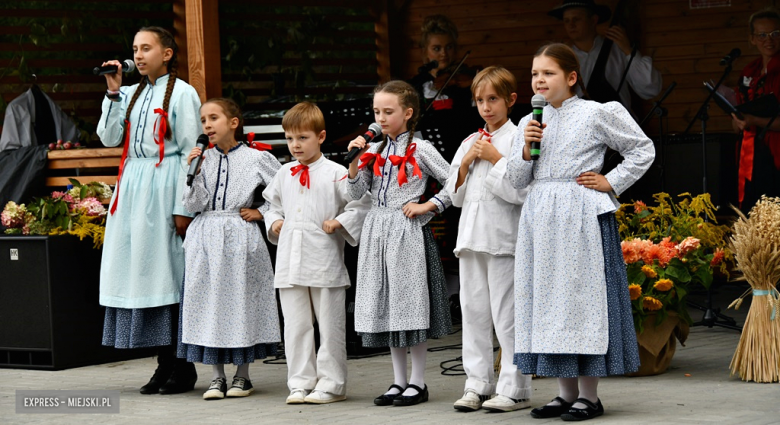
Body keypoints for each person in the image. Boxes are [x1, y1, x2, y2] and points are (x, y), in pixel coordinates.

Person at [510, 43, 654, 421]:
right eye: (534, 74)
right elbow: (514, 179)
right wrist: (526, 150)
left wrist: (612, 181)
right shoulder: (531, 122)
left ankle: (589, 396)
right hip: (541, 217)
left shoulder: (596, 113)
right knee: (549, 301)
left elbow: (642, 149)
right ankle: (564, 392)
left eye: (548, 73)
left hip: (580, 214)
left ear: (571, 78)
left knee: (581, 300)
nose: (539, 80)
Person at [97, 26, 201, 395]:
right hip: (134, 186)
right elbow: (109, 138)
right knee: (140, 272)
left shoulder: (184, 93)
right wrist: (112, 91)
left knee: (166, 273)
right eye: (135, 49)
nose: (138, 56)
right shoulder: (127, 93)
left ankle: (180, 365)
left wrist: (182, 205)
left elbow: (192, 151)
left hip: (164, 183)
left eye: (146, 48)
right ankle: (162, 363)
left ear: (167, 53)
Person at [346, 80, 452, 407]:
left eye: (388, 111)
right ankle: (398, 380)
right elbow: (354, 192)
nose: (381, 117)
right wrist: (354, 160)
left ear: (407, 113)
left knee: (409, 303)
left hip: (406, 230)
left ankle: (418, 381)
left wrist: (428, 205)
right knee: (388, 304)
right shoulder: (374, 150)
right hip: (377, 229)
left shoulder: (422, 149)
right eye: (377, 111)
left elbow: (455, 182)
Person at [263, 102, 370, 405]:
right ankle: (299, 382)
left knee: (330, 324)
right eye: (290, 139)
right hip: (289, 260)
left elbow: (360, 204)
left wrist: (339, 221)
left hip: (324, 260)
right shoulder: (284, 173)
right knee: (296, 325)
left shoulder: (336, 172)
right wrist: (275, 221)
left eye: (303, 138)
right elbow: (271, 206)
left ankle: (332, 384)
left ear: (321, 136)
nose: (295, 145)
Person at [177, 97, 282, 400]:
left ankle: (243, 375)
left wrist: (261, 212)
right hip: (206, 236)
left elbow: (283, 191)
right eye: (203, 120)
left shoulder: (255, 158)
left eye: (214, 118)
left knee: (241, 300)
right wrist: (194, 175)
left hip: (239, 236)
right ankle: (216, 375)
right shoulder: (202, 159)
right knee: (210, 302)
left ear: (233, 123)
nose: (207, 125)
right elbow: (193, 203)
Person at [445, 66, 533, 413]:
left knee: (506, 315)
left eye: (493, 99)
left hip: (503, 240)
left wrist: (495, 159)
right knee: (474, 313)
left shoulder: (518, 139)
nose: (486, 107)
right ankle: (477, 383)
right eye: (480, 100)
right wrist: (466, 162)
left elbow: (520, 192)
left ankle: (515, 387)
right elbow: (454, 197)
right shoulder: (469, 141)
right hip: (471, 240)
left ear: (511, 100)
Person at [548, 0, 662, 111]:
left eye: (576, 19)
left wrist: (628, 51)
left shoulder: (618, 50)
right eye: (566, 21)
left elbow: (650, 89)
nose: (571, 25)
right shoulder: (561, 58)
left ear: (593, 20)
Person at [732, 7, 780, 212]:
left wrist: (754, 120)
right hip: (751, 152)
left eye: (775, 34)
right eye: (762, 35)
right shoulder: (749, 70)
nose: (768, 40)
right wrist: (737, 121)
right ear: (752, 39)